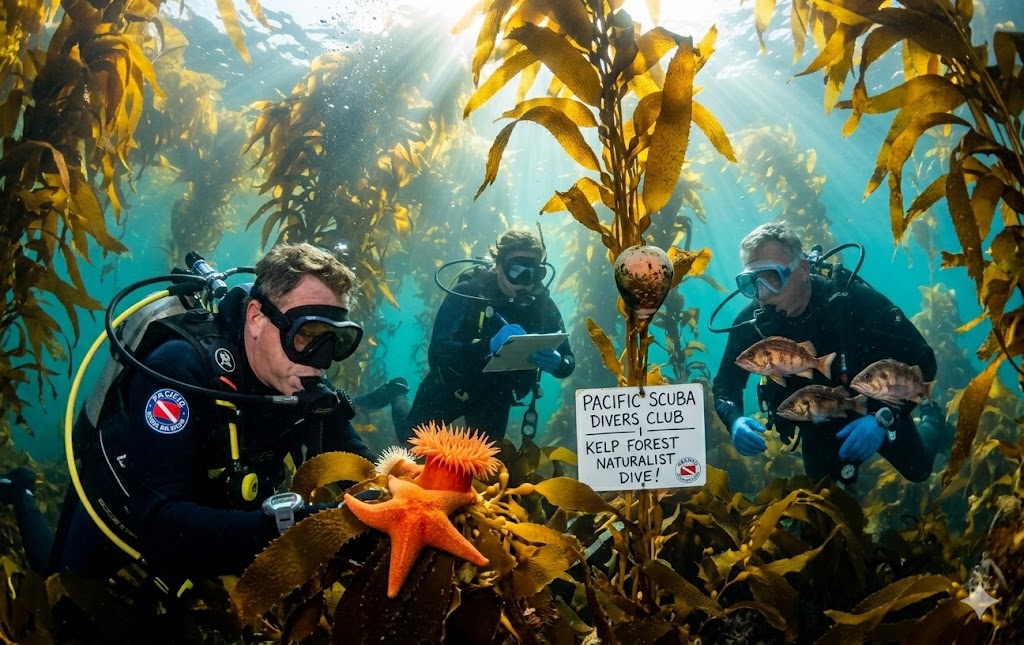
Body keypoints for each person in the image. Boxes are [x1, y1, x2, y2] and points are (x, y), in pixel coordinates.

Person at [1, 243, 385, 588]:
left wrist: (405, 486)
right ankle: (22, 491)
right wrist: (314, 529)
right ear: (256, 317)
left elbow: (366, 466)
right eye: (307, 335)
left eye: (337, 341)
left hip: (207, 531)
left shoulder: (300, 380)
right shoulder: (178, 369)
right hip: (119, 507)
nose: (321, 361)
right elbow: (161, 528)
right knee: (59, 589)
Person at [711, 222, 942, 485]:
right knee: (824, 495)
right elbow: (726, 385)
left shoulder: (851, 301)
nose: (762, 294)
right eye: (752, 282)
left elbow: (922, 359)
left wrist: (883, 418)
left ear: (802, 270)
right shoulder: (752, 324)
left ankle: (932, 418)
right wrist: (734, 420)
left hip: (877, 407)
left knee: (919, 470)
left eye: (772, 278)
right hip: (815, 421)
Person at [397, 229, 575, 444]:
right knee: (409, 441)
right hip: (450, 386)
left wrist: (558, 363)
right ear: (498, 265)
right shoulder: (468, 293)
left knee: (486, 461)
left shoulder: (543, 306)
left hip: (495, 395)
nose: (525, 281)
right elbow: (438, 353)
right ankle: (396, 393)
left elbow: (568, 362)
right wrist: (488, 345)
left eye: (534, 273)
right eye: (516, 270)